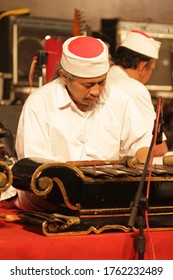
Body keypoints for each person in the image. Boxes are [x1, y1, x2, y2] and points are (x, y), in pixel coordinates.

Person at [1, 35, 153, 211]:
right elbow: (36, 166)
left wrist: (141, 165)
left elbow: (142, 146)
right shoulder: (40, 103)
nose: (96, 91)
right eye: (88, 85)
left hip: (106, 197)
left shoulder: (120, 99)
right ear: (64, 77)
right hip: (50, 200)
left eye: (101, 82)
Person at [107, 29, 168, 156]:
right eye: (152, 69)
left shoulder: (102, 78)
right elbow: (157, 147)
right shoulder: (134, 88)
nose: (150, 76)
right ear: (142, 66)